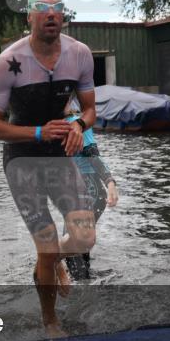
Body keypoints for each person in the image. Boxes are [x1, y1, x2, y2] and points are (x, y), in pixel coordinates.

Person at [0, 0, 96, 337]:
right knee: (45, 248)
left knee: (84, 238)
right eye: (42, 8)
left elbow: (90, 109)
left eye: (57, 7)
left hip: (59, 155)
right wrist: (36, 133)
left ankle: (54, 261)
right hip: (23, 161)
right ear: (29, 16)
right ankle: (50, 320)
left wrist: (78, 125)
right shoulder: (10, 62)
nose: (51, 14)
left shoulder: (79, 54)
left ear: (63, 16)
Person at [63, 100, 118, 280]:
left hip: (91, 192)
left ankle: (83, 283)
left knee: (71, 243)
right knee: (75, 245)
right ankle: (86, 279)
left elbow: (93, 156)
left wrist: (110, 183)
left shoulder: (76, 123)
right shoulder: (52, 126)